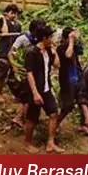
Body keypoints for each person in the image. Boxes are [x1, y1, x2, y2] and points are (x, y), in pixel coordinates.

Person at [23, 24, 63, 153]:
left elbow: (57, 65)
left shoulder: (48, 51)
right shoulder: (32, 52)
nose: (52, 39)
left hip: (46, 89)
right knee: (32, 118)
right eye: (50, 37)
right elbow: (29, 73)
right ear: (44, 38)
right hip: (35, 90)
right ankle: (27, 142)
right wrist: (35, 93)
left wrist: (54, 51)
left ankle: (50, 142)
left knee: (53, 113)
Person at [56, 27, 88, 136]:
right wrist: (70, 41)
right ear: (65, 38)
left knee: (83, 100)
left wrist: (76, 39)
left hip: (78, 77)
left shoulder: (74, 46)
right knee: (68, 105)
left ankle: (83, 125)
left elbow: (81, 50)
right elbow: (68, 55)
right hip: (67, 81)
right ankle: (56, 123)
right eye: (70, 38)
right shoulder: (60, 48)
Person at [0, 4, 22, 103]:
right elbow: (5, 32)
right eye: (11, 13)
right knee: (2, 73)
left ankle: (16, 94)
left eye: (15, 13)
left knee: (14, 74)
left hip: (14, 51)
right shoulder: (2, 22)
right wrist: (3, 19)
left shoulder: (18, 25)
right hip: (4, 51)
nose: (14, 15)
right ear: (6, 13)